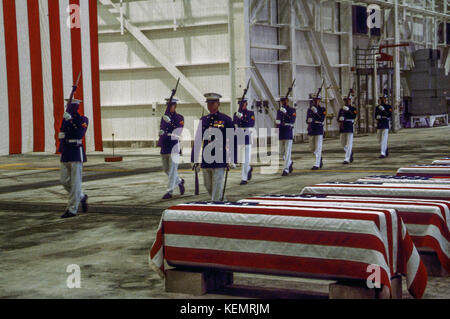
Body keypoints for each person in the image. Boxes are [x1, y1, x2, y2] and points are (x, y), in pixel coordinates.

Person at [191, 93, 235, 201]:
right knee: (208, 186)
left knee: (217, 186)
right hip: (207, 159)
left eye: (212, 103)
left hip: (220, 158)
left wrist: (233, 158)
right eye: (208, 103)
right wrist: (194, 159)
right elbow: (197, 140)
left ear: (218, 104)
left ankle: (215, 206)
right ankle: (222, 201)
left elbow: (233, 140)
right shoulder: (204, 120)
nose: (210, 106)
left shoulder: (226, 120)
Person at [59, 98, 89, 219]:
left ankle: (72, 209)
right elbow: (61, 134)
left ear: (76, 107)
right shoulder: (65, 119)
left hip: (76, 152)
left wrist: (70, 120)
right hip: (66, 152)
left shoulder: (83, 119)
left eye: (70, 105)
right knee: (64, 181)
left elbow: (79, 134)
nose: (68, 107)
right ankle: (81, 196)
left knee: (75, 183)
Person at [157, 98, 185, 199]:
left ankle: (170, 191)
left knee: (173, 170)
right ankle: (180, 181)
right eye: (168, 105)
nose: (169, 107)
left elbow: (178, 131)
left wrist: (170, 123)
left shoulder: (179, 117)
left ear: (175, 106)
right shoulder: (164, 117)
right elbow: (161, 128)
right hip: (165, 145)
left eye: (171, 105)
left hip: (174, 145)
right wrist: (161, 132)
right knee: (166, 169)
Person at [233, 97, 255, 185]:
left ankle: (244, 178)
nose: (241, 105)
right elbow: (234, 123)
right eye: (240, 104)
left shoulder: (250, 113)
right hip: (238, 134)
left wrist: (242, 117)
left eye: (243, 104)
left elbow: (251, 123)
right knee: (240, 157)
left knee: (245, 158)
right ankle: (248, 168)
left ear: (246, 104)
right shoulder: (236, 113)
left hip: (247, 134)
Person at [276, 97, 296, 176]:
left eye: (284, 101)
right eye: (281, 101)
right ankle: (290, 162)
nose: (283, 103)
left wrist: (286, 113)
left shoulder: (292, 110)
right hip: (281, 131)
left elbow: (292, 120)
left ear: (287, 101)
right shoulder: (279, 110)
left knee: (287, 152)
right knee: (281, 152)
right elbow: (278, 120)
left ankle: (286, 169)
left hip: (288, 130)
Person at [306, 95, 326, 170]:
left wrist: (316, 112)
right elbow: (307, 119)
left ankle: (317, 164)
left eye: (317, 100)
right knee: (312, 148)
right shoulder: (309, 109)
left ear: (319, 101)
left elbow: (321, 119)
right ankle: (319, 157)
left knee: (318, 147)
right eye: (314, 100)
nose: (316, 101)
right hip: (311, 129)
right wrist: (309, 120)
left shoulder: (322, 109)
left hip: (318, 129)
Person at [338, 96, 357, 164]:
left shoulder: (353, 108)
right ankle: (349, 152)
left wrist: (348, 110)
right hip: (343, 127)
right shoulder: (341, 109)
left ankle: (347, 159)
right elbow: (338, 118)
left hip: (349, 126)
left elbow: (354, 116)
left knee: (349, 144)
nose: (347, 101)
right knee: (343, 143)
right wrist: (340, 119)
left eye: (348, 100)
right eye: (346, 100)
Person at [375, 94, 392, 159]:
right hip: (380, 123)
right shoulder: (377, 107)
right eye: (381, 99)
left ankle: (383, 153)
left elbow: (389, 115)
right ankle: (385, 148)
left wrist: (383, 110)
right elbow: (375, 115)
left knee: (384, 139)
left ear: (385, 99)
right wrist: (377, 117)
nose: (382, 100)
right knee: (379, 139)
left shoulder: (388, 106)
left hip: (385, 123)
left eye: (383, 99)